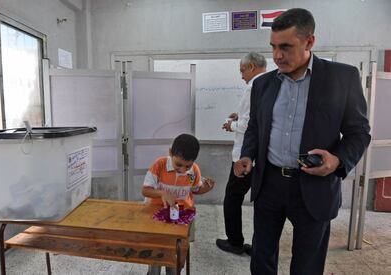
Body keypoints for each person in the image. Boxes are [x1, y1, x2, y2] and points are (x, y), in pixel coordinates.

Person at [234, 8, 371, 275]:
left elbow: (359, 132)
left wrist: (337, 160)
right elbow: (255, 127)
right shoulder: (263, 85)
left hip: (314, 185)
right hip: (269, 183)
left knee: (307, 265)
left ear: (309, 42)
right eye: (273, 47)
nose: (276, 56)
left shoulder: (342, 78)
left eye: (286, 47)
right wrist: (247, 155)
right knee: (261, 258)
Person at [142, 133, 215, 275]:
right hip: (156, 216)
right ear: (170, 153)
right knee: (156, 253)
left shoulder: (194, 171)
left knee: (176, 257)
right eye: (178, 164)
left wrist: (205, 189)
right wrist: (162, 193)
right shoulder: (160, 165)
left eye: (187, 166)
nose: (182, 169)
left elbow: (195, 189)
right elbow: (145, 190)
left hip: (180, 219)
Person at [216, 52, 266, 256]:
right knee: (263, 203)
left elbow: (248, 125)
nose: (241, 75)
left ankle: (235, 242)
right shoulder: (271, 84)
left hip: (245, 157)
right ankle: (261, 247)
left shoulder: (253, 86)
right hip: (264, 157)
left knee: (232, 198)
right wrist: (239, 115)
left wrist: (232, 125)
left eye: (242, 70)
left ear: (251, 66)